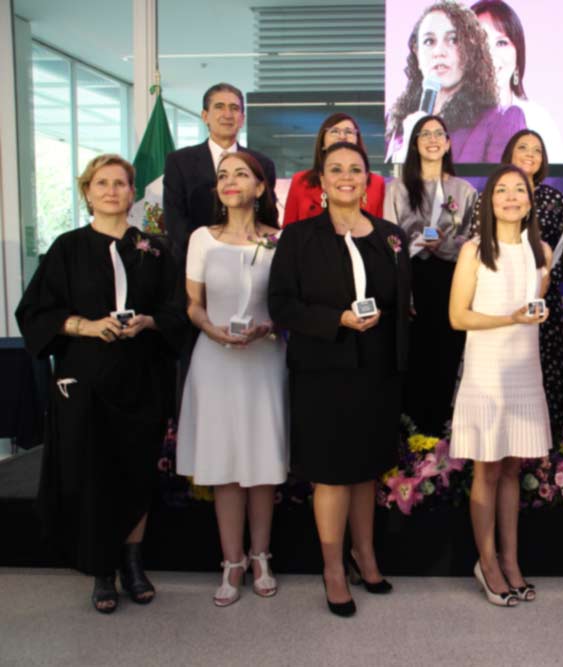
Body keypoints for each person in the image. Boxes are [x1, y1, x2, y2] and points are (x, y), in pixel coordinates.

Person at [16, 154, 186, 613]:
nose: (112, 191)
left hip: (142, 378)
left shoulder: (155, 250)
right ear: (88, 193)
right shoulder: (67, 248)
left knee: (137, 470)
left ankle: (133, 563)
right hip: (85, 379)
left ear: (132, 193)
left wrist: (149, 321)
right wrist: (84, 326)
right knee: (93, 472)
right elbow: (34, 312)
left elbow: (176, 312)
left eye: (120, 183)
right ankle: (101, 569)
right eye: (102, 183)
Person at [268, 142, 412, 617]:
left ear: (368, 179)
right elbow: (281, 305)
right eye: (336, 169)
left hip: (377, 372)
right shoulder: (298, 237)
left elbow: (401, 304)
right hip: (322, 372)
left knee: (367, 470)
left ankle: (364, 555)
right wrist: (337, 320)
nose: (346, 176)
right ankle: (332, 569)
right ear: (322, 181)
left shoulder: (391, 237)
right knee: (331, 474)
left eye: (355, 169)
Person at [175, 152, 288, 607]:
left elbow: (287, 304)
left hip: (264, 359)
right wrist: (210, 329)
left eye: (241, 174)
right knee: (224, 462)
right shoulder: (202, 238)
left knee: (262, 461)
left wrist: (270, 327)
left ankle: (261, 555)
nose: (230, 180)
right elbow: (193, 304)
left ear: (260, 187)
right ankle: (232, 560)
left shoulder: (279, 240)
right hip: (215, 359)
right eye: (223, 175)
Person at [449, 165, 553, 606]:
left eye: (519, 190)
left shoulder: (541, 251)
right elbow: (458, 317)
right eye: (502, 190)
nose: (511, 197)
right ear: (489, 202)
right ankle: (487, 562)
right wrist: (510, 318)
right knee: (487, 469)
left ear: (530, 201)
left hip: (524, 370)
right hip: (487, 373)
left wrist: (532, 313)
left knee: (512, 467)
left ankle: (511, 560)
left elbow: (535, 305)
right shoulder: (474, 250)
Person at [383, 115, 477, 436]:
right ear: (415, 144)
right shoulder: (396, 189)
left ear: (448, 143)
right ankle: (411, 438)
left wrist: (446, 245)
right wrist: (402, 290)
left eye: (439, 134)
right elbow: (389, 242)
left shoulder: (464, 191)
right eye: (425, 134)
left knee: (446, 356)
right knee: (413, 358)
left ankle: (442, 435)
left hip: (451, 279)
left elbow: (472, 240)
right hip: (410, 278)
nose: (433, 139)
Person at [498, 130, 563, 435]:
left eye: (537, 150)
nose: (530, 154)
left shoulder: (553, 198)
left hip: (543, 299)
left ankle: (550, 445)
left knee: (545, 369)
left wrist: (542, 281)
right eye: (523, 147)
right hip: (501, 299)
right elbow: (481, 248)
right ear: (510, 154)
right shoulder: (491, 195)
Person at [386, 1, 525, 163]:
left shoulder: (500, 120)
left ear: (470, 50)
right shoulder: (394, 122)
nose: (439, 52)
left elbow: (501, 178)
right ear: (417, 52)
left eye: (452, 40)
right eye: (429, 41)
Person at [164, 83, 276, 261]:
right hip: (194, 259)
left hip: (249, 258)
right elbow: (175, 221)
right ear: (205, 116)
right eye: (219, 107)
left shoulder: (262, 164)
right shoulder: (179, 162)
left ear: (242, 118)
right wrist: (210, 253)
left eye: (234, 108)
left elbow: (267, 216)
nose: (227, 114)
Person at [471, 0, 563, 162]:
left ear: (518, 53)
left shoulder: (538, 120)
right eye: (480, 43)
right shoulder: (446, 121)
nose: (490, 55)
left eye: (501, 43)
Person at [283, 113, 385, 224]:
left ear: (357, 141)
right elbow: (288, 228)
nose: (342, 136)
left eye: (349, 132)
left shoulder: (376, 183)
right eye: (334, 131)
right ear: (322, 142)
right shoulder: (300, 180)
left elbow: (379, 229)